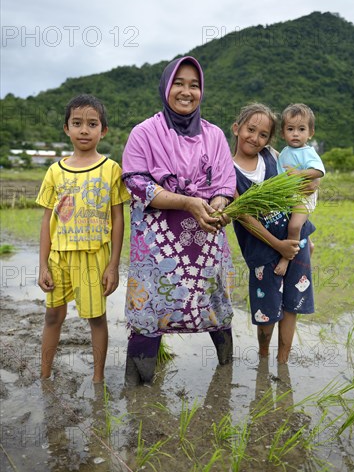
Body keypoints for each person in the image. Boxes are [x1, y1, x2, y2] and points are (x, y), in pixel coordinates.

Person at [122, 55, 236, 386]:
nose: (187, 92)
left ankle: (226, 374)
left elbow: (226, 186)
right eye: (179, 84)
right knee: (149, 312)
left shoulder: (214, 135)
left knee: (216, 306)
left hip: (206, 238)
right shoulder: (145, 132)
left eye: (194, 85)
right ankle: (137, 390)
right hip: (157, 244)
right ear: (165, 87)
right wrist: (188, 202)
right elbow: (137, 182)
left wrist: (215, 204)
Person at [36, 94, 129, 382]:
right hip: (59, 256)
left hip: (93, 257)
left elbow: (117, 219)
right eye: (77, 123)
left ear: (104, 130)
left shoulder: (111, 169)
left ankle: (98, 378)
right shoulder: (55, 171)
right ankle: (44, 375)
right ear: (66, 128)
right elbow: (46, 221)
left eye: (92, 124)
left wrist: (113, 266)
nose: (84, 130)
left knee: (96, 318)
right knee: (53, 316)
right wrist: (43, 265)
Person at [232, 103, 317, 364]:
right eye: (251, 130)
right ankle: (263, 357)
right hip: (262, 249)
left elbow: (305, 184)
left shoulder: (273, 156)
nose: (255, 138)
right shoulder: (227, 169)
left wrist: (305, 238)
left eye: (263, 134)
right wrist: (279, 245)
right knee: (267, 310)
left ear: (269, 139)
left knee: (292, 304)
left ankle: (282, 363)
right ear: (237, 128)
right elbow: (244, 217)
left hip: (294, 241)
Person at [275, 103, 325, 276]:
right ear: (283, 133)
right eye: (290, 129)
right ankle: (309, 244)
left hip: (304, 196)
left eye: (301, 129)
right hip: (290, 196)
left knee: (294, 225)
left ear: (310, 133)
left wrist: (300, 173)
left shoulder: (308, 152)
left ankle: (286, 258)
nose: (295, 133)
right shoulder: (283, 152)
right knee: (293, 221)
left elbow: (319, 171)